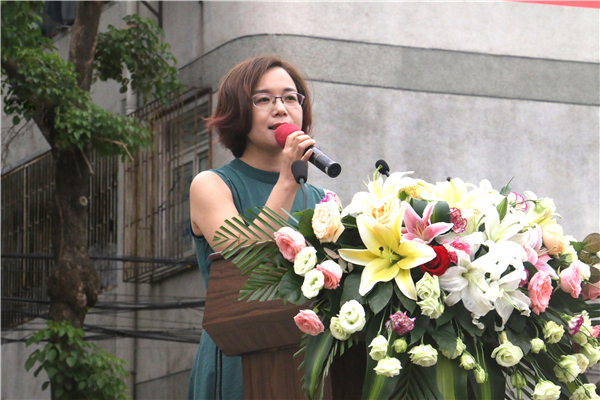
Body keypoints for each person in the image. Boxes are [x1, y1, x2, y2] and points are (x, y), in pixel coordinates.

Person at [188, 56, 330, 400]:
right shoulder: (211, 185)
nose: (280, 109)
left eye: (291, 98)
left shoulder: (322, 199)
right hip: (238, 359)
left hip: (309, 361)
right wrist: (287, 180)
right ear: (237, 112)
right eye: (263, 99)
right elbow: (246, 261)